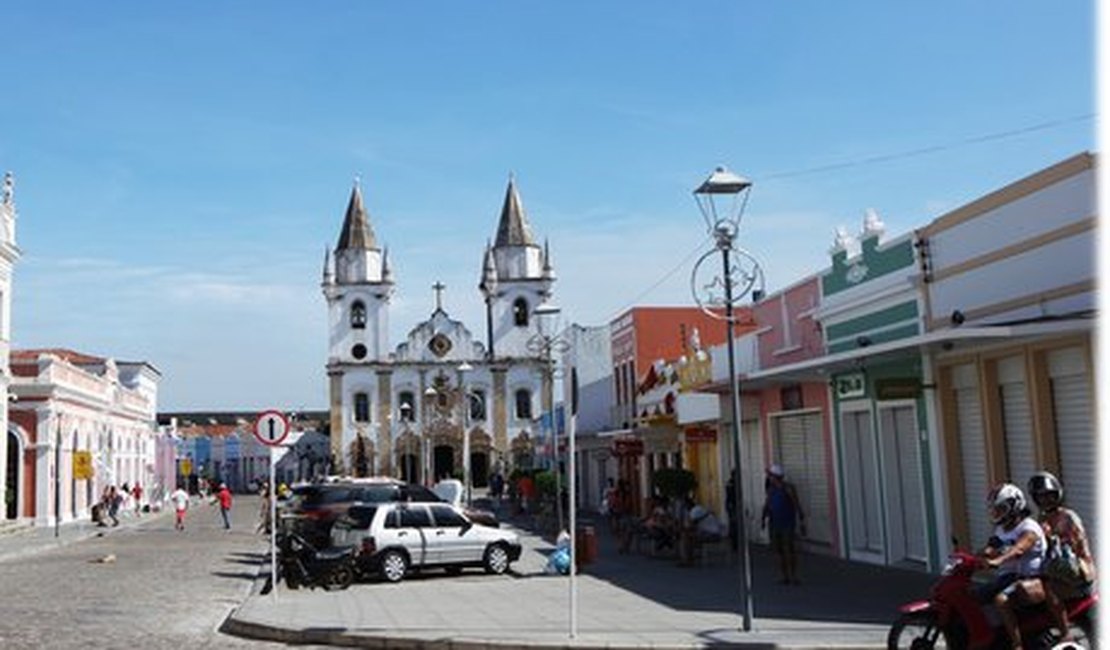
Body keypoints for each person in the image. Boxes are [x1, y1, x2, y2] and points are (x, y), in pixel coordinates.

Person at [978, 482, 1047, 650]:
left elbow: (1019, 549)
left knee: (1001, 600)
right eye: (996, 509)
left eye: (1001, 509)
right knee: (975, 595)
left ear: (1014, 506)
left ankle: (1017, 644)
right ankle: (994, 636)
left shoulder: (1028, 527)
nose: (998, 513)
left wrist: (998, 561)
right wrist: (975, 558)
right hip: (1008, 577)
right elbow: (990, 548)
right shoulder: (1001, 529)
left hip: (1028, 577)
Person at [1028, 471, 1094, 642]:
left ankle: (1066, 633)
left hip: (1077, 571)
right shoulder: (1042, 518)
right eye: (1041, 497)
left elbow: (1075, 549)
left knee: (1046, 589)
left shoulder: (1068, 517)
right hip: (1057, 569)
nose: (1046, 500)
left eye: (1050, 496)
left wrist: (1053, 539)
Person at [761, 464, 805, 585]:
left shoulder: (788, 488)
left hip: (787, 523)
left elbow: (797, 505)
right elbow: (767, 505)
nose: (769, 478)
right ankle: (785, 576)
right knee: (779, 551)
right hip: (775, 523)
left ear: (776, 476)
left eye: (771, 475)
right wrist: (763, 518)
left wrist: (802, 521)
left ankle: (793, 576)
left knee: (789, 549)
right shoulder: (771, 490)